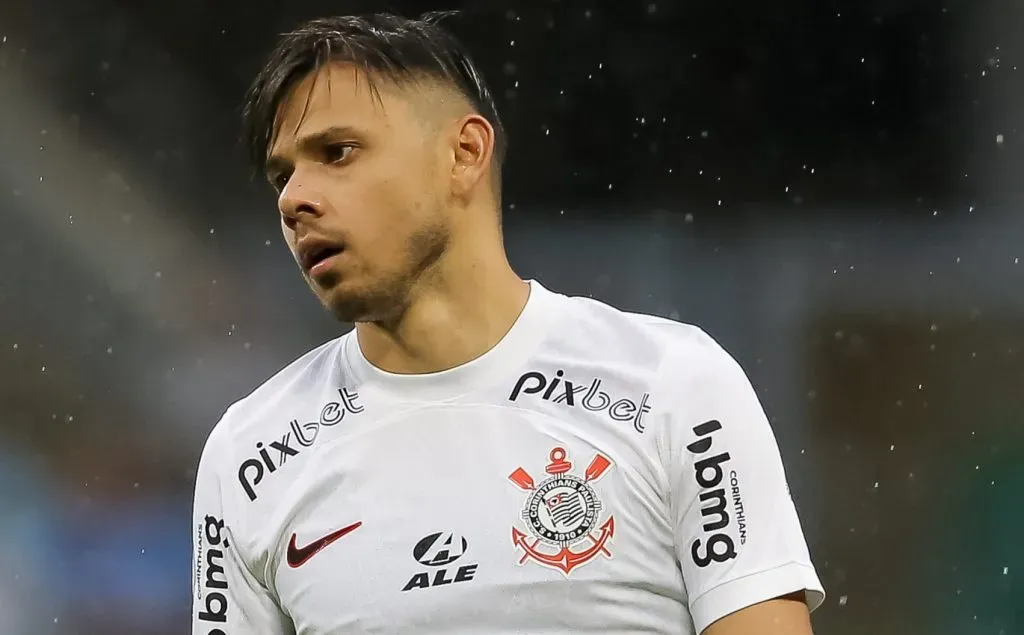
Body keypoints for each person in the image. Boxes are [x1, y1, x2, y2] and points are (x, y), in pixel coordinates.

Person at [191, 11, 825, 635]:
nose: (293, 199)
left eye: (337, 151)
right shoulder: (250, 456)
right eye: (282, 174)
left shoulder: (673, 388)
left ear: (464, 153)